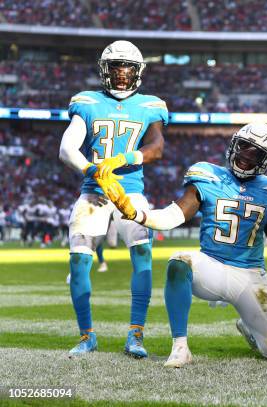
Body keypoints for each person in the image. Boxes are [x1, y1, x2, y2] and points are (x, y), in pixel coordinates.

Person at [109, 122, 267, 367]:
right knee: (179, 261)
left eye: (256, 153)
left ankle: (249, 326)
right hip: (210, 267)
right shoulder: (208, 174)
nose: (245, 155)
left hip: (251, 276)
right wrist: (139, 215)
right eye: (243, 147)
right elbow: (173, 216)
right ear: (234, 144)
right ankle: (180, 346)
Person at [58, 40, 167, 358]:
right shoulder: (87, 101)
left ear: (138, 72)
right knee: (78, 261)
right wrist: (94, 170)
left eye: (128, 67)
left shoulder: (151, 105)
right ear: (105, 70)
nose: (121, 73)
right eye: (116, 67)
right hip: (93, 191)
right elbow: (67, 148)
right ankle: (86, 335)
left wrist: (122, 160)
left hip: (131, 191)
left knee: (142, 256)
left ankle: (136, 335)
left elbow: (157, 146)